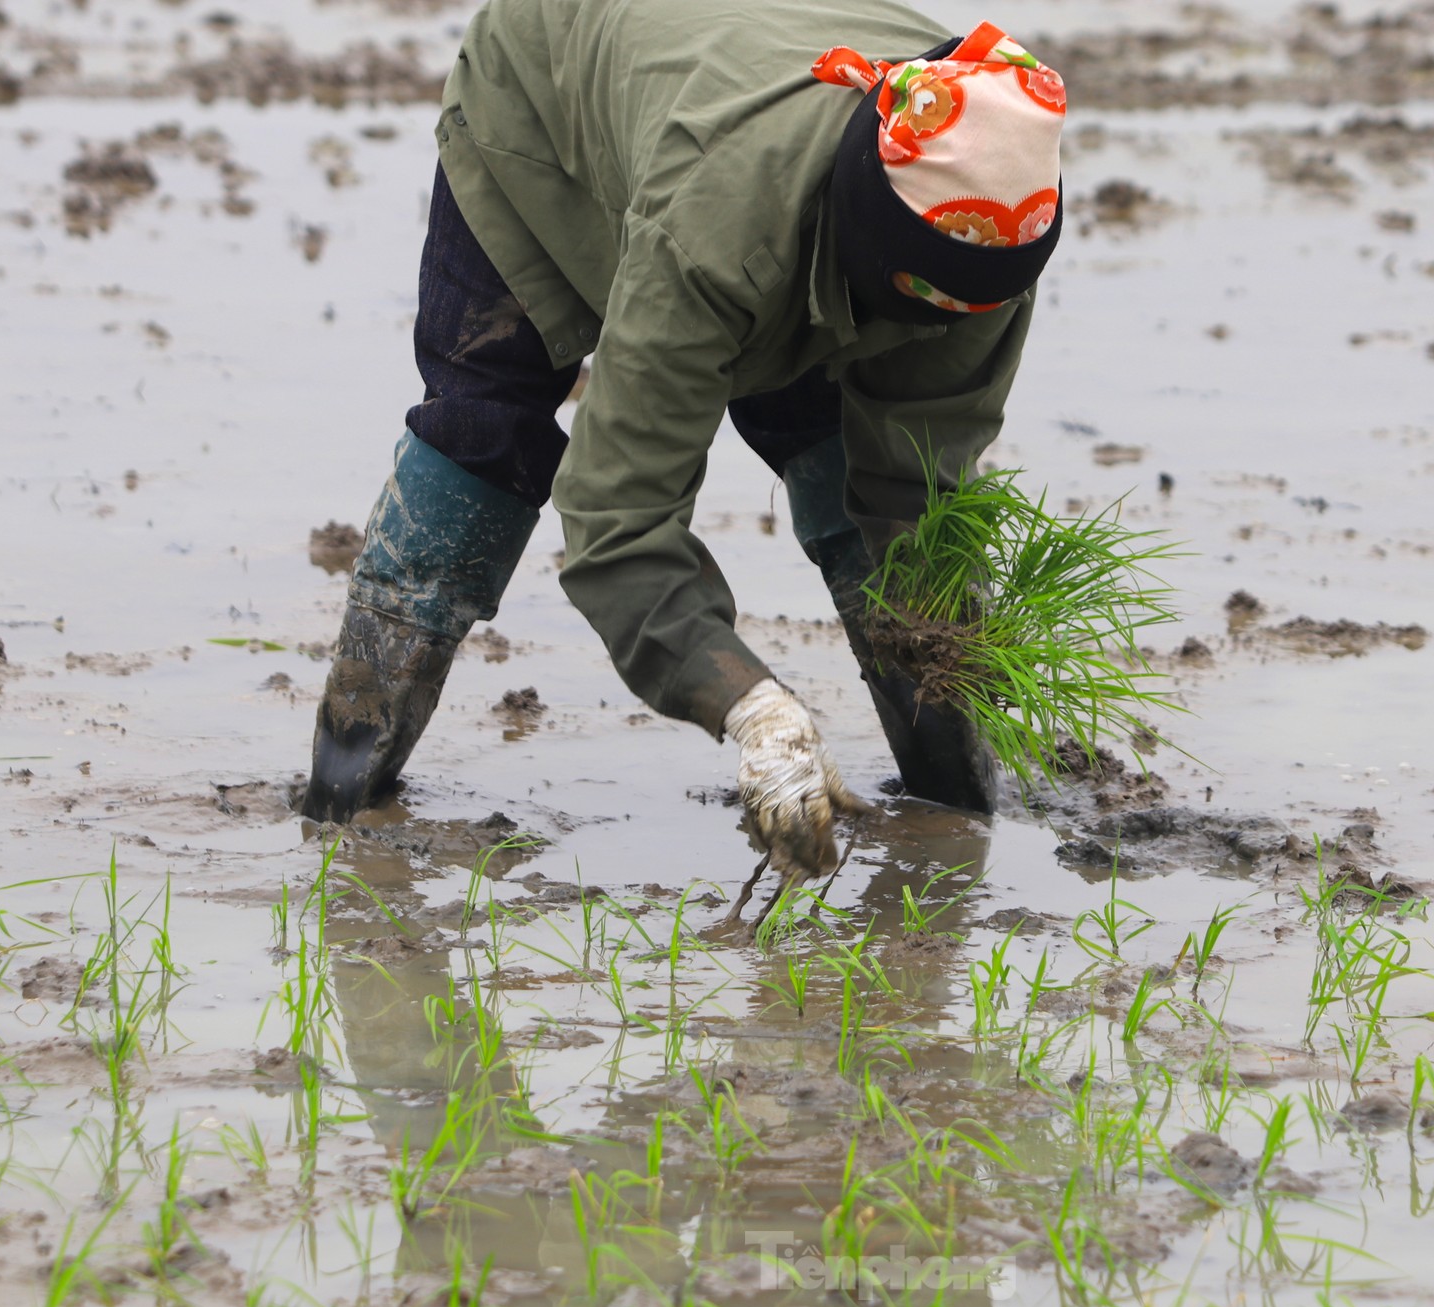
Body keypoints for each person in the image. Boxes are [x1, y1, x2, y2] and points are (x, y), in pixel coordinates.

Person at [300, 0, 1067, 888]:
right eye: (909, 301)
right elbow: (616, 522)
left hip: (744, 136)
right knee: (488, 426)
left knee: (862, 467)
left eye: (953, 312)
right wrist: (751, 708)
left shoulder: (994, 215)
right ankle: (342, 795)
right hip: (549, 100)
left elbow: (915, 489)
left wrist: (959, 705)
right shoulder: (717, 232)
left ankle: (954, 802)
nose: (928, 328)